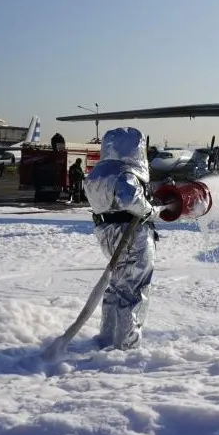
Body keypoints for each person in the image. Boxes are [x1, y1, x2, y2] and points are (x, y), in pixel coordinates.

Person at [83, 127, 163, 350]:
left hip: (106, 232)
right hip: (132, 234)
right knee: (134, 289)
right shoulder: (126, 173)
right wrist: (152, 211)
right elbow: (129, 199)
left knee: (116, 286)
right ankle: (127, 346)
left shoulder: (97, 173)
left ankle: (107, 337)